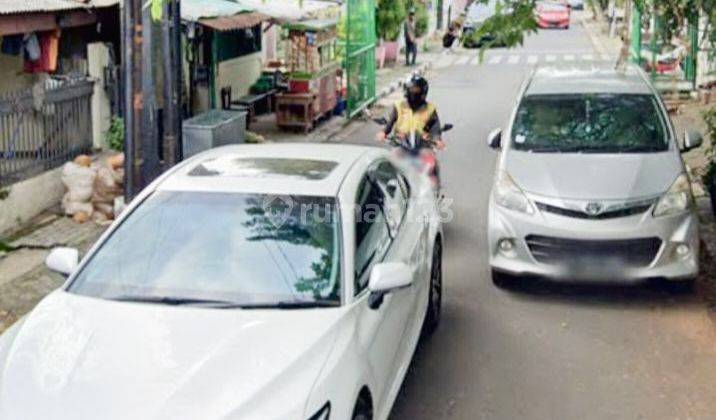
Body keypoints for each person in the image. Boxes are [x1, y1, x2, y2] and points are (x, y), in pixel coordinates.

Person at [376, 74, 445, 151]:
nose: (413, 92)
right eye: (411, 89)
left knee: (431, 161)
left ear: (423, 91)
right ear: (406, 90)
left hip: (423, 145)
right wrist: (384, 132)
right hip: (401, 143)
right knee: (391, 160)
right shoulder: (398, 105)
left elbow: (435, 125)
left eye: (416, 89)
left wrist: (437, 139)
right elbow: (390, 121)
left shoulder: (430, 108)